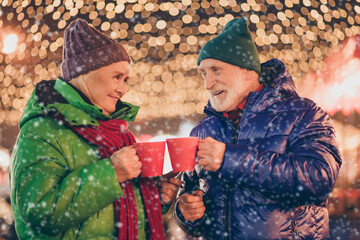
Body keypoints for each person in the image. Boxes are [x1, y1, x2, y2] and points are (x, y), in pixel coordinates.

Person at [9, 18, 181, 239]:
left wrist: (154, 195)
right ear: (85, 75)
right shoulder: (41, 130)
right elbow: (39, 213)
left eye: (126, 79)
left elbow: (113, 211)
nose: (123, 89)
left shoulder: (117, 134)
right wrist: (111, 173)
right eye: (117, 77)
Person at [174, 17, 342, 240]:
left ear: (246, 71)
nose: (208, 84)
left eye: (216, 70)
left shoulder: (303, 114)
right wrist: (186, 211)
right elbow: (190, 192)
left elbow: (319, 179)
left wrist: (229, 159)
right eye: (204, 73)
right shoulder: (202, 131)